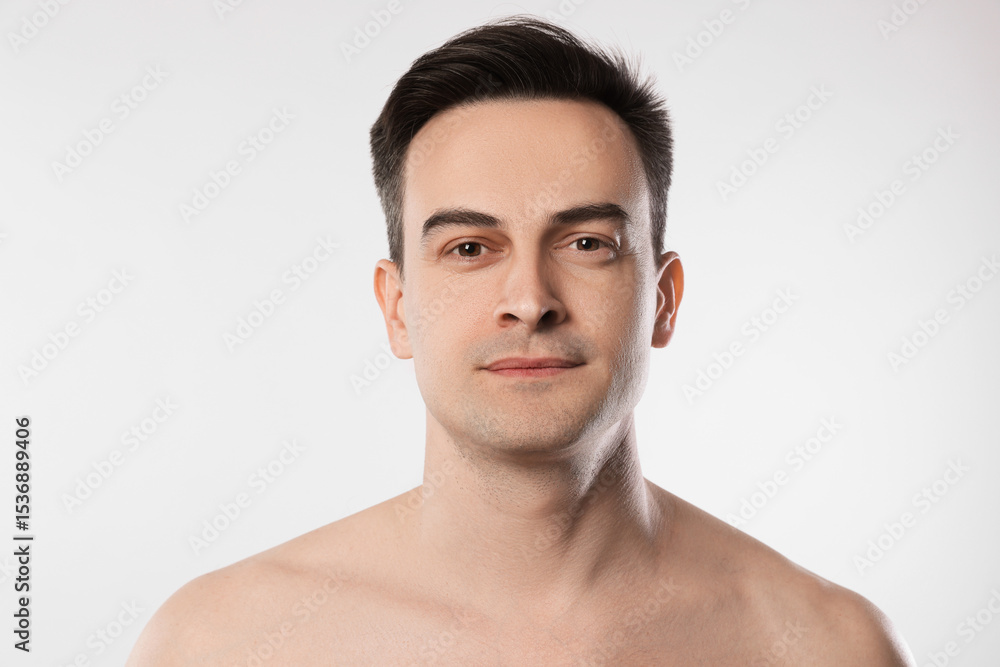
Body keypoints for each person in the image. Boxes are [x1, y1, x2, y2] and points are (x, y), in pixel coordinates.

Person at [128, 16, 916, 665]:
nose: (530, 300)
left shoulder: (824, 647)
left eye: (586, 244)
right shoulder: (220, 644)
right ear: (397, 308)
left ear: (664, 301)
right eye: (470, 248)